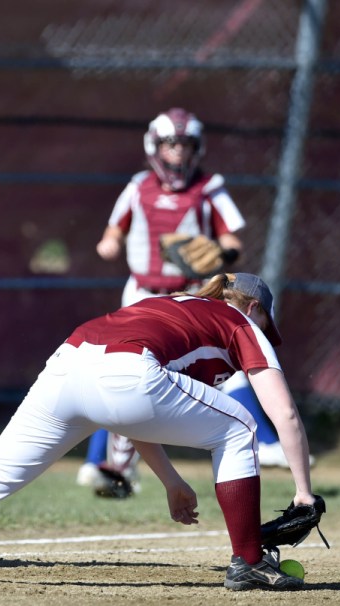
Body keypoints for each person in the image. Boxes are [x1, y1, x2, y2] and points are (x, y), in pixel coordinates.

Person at [0, 273, 314, 591]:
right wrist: (304, 494)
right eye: (268, 326)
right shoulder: (239, 321)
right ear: (254, 309)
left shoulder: (177, 306)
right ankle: (249, 561)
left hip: (71, 361)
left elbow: (129, 410)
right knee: (241, 426)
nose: (268, 339)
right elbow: (284, 414)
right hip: (124, 370)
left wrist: (170, 480)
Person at [77, 107, 294, 495]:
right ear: (154, 146)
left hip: (190, 295)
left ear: (197, 149)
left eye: (185, 144)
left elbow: (233, 242)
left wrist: (221, 257)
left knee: (221, 369)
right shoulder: (138, 187)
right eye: (170, 143)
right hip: (142, 293)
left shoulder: (209, 187)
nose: (178, 152)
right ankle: (106, 465)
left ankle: (263, 442)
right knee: (122, 372)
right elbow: (111, 235)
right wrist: (109, 244)